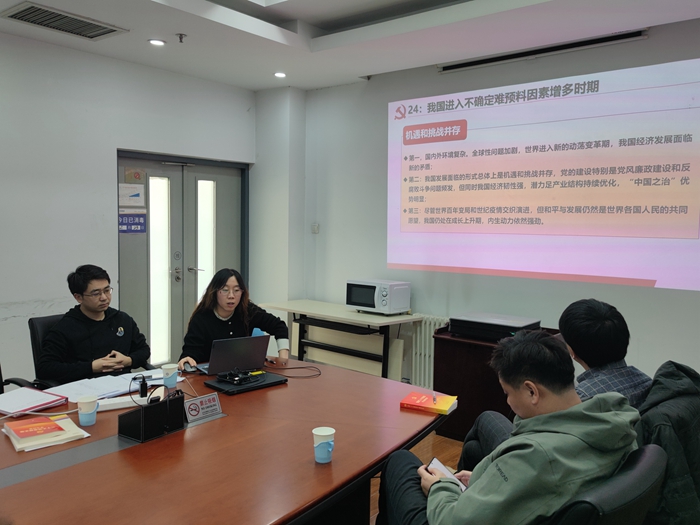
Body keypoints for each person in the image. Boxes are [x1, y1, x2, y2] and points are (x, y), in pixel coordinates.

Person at [377, 330, 639, 525]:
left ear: (531, 391)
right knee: (476, 445)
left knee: (400, 460)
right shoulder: (614, 420)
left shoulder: (534, 457)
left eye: (507, 393)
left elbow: (452, 521)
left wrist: (441, 488)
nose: (508, 402)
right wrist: (481, 480)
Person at [457, 297, 652, 471]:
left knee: (486, 419)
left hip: (540, 462)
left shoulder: (580, 400)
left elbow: (535, 443)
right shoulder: (648, 383)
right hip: (609, 470)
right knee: (474, 450)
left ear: (571, 351)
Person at [37, 265, 151, 384]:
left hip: (124, 385)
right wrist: (91, 367)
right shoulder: (64, 328)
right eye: (96, 294)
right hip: (85, 389)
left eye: (107, 290)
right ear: (78, 297)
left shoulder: (122, 319)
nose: (104, 298)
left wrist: (128, 360)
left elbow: (143, 349)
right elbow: (45, 368)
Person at [177, 268, 289, 370]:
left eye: (236, 290)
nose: (231, 296)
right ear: (214, 292)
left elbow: (279, 326)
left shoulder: (247, 310)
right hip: (209, 376)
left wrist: (283, 360)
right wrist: (187, 359)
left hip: (242, 373)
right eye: (225, 290)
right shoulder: (202, 317)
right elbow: (190, 352)